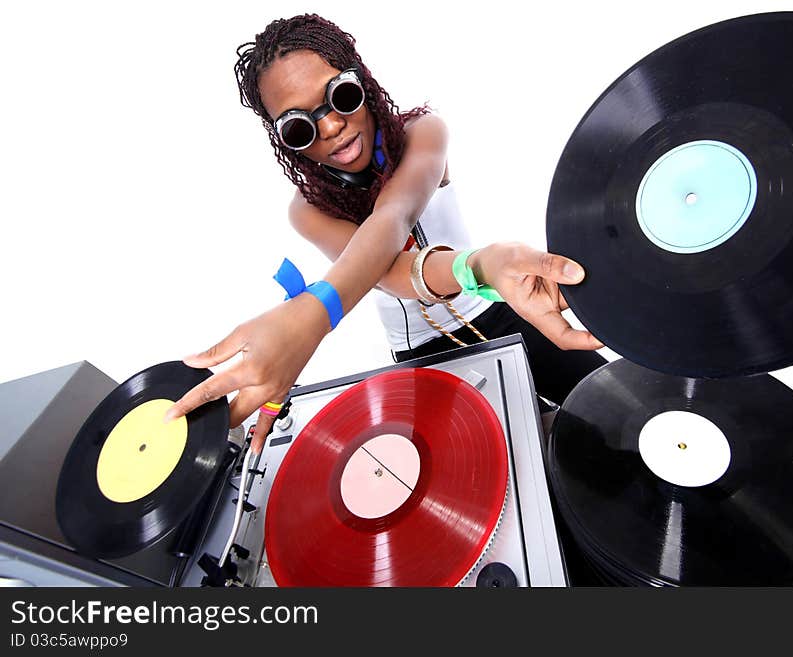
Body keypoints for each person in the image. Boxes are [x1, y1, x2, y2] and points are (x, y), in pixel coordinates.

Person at [165, 14, 605, 450]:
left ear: (363, 80)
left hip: (501, 310)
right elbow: (393, 274)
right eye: (300, 126)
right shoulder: (306, 210)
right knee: (496, 471)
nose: (331, 126)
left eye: (341, 95)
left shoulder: (425, 132)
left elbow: (392, 217)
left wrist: (312, 316)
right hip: (422, 358)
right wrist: (479, 265)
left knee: (618, 413)